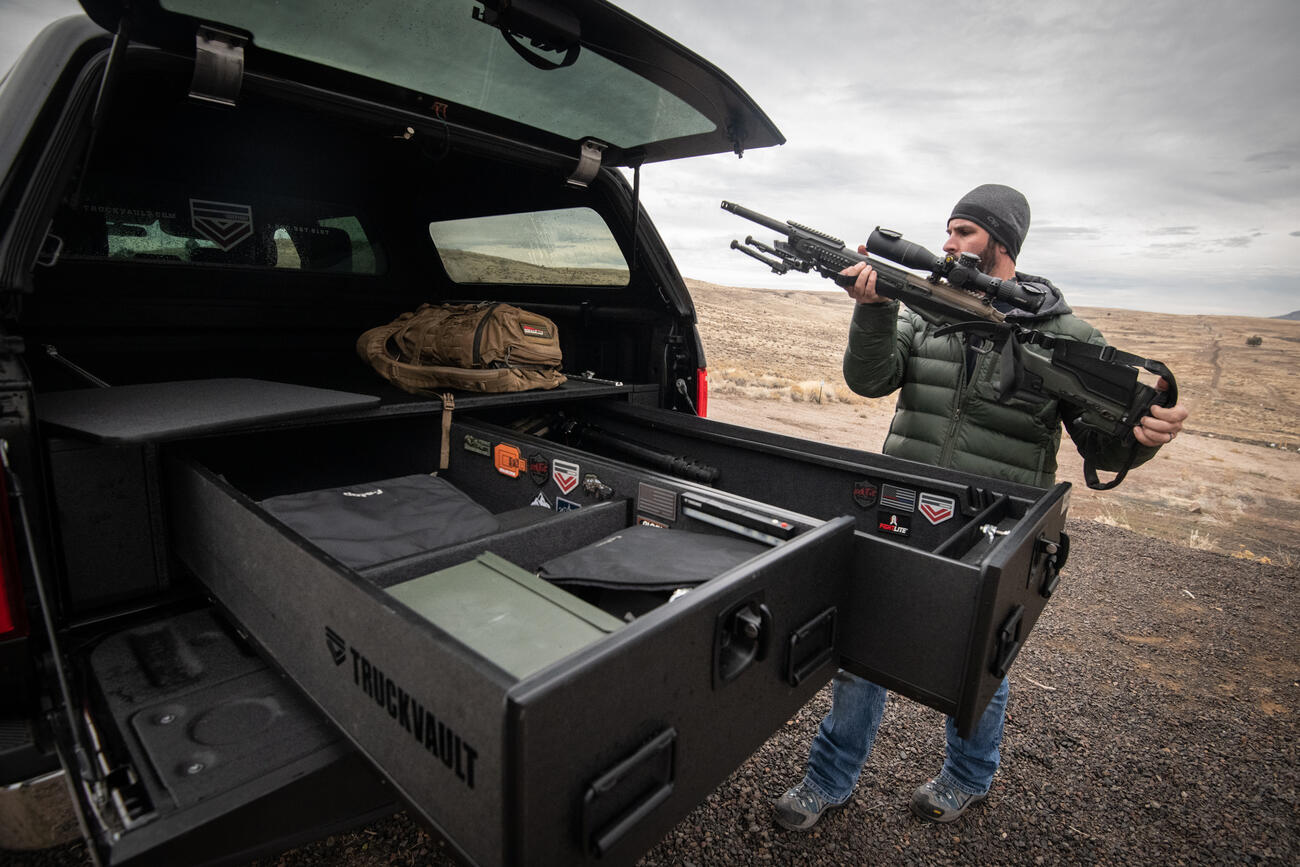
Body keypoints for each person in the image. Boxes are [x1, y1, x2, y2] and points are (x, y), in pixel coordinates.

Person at [773, 184, 1189, 831]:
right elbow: (869, 379)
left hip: (996, 516)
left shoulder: (1067, 335)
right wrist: (875, 309)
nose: (948, 243)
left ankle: (968, 775)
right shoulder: (922, 310)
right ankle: (828, 778)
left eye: (964, 231)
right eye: (947, 230)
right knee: (861, 650)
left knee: (978, 660)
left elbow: (1102, 438)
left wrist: (1141, 442)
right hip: (904, 502)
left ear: (1002, 242)